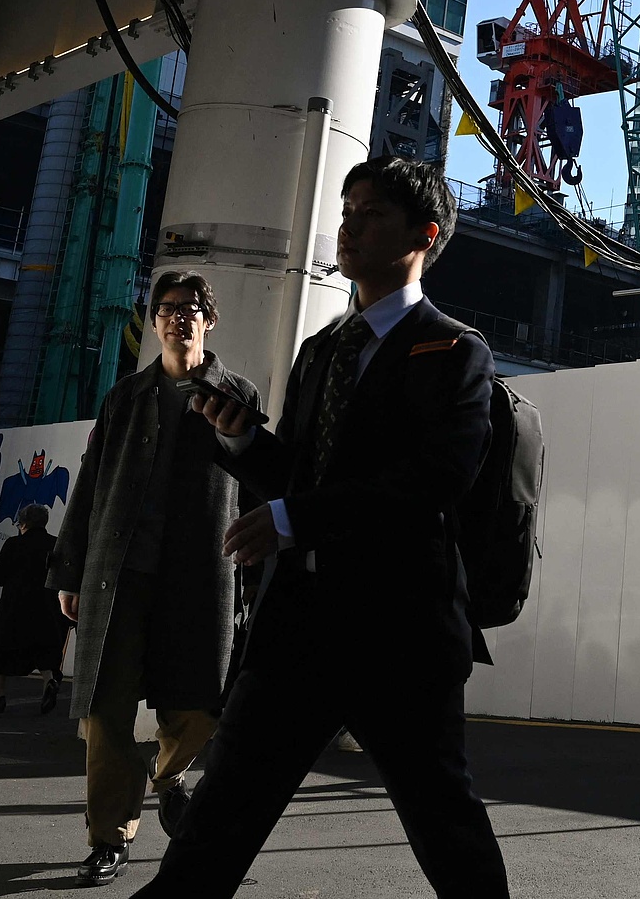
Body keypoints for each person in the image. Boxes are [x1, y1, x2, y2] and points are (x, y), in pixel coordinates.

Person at [139, 155, 509, 898]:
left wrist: (294, 516)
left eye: (371, 213)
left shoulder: (454, 351)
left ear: (423, 236)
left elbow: (434, 481)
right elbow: (303, 475)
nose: (349, 225)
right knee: (221, 812)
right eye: (346, 210)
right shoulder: (321, 350)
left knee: (444, 823)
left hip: (401, 630)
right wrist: (245, 441)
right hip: (299, 625)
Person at [49, 270, 263, 886]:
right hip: (119, 577)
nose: (176, 318)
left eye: (189, 308)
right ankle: (109, 838)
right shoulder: (126, 395)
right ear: (155, 321)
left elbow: (256, 483)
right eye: (165, 308)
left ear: (209, 320)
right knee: (105, 712)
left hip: (199, 579)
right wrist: (70, 571)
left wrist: (254, 578)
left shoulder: (237, 394)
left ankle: (167, 775)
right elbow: (91, 483)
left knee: (199, 707)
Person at [0, 504, 70, 715]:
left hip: (15, 605)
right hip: (47, 606)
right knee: (43, 649)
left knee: (1, 649)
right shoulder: (56, 544)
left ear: (24, 523)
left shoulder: (14, 544)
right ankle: (49, 681)